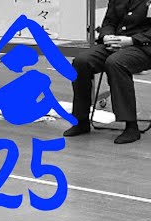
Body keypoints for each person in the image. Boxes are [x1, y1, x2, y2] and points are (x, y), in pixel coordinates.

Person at [63, 0, 151, 144]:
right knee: (81, 62)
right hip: (116, 44)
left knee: (116, 62)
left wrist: (132, 40)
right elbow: (109, 21)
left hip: (143, 47)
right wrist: (107, 36)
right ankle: (81, 120)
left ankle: (131, 126)